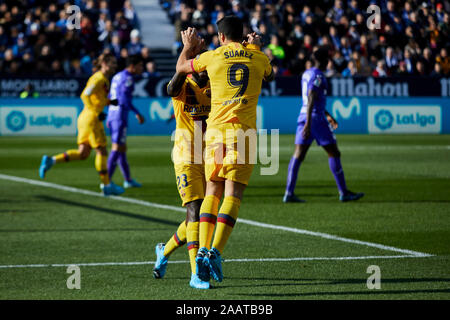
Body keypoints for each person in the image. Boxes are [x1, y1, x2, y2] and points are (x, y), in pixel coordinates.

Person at [175, 16, 274, 286]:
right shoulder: (258, 58)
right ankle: (214, 251)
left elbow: (182, 67)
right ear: (243, 35)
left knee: (213, 191)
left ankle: (202, 253)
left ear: (220, 36)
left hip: (216, 132)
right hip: (242, 133)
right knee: (233, 195)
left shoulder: (212, 56)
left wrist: (187, 46)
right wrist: (255, 47)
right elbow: (271, 74)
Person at [153, 46, 211, 290]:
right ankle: (195, 274)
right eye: (201, 65)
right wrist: (186, 53)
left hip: (209, 156)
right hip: (185, 156)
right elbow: (169, 89)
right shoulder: (183, 85)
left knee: (204, 216)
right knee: (194, 210)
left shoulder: (215, 86)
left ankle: (163, 251)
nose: (206, 70)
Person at [283, 47, 364, 203]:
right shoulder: (318, 75)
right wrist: (310, 123)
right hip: (314, 120)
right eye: (328, 59)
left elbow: (312, 99)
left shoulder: (307, 73)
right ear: (324, 61)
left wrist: (328, 116)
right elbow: (312, 96)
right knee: (334, 152)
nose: (329, 62)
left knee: (298, 155)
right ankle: (344, 192)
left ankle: (289, 193)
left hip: (304, 116)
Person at [39, 53, 124, 196]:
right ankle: (107, 185)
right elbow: (85, 95)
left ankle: (51, 160)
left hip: (85, 118)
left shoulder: (102, 79)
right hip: (92, 118)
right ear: (104, 64)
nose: (115, 66)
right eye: (112, 63)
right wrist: (96, 113)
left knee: (83, 153)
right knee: (102, 151)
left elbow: (97, 98)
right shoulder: (98, 78)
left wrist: (109, 102)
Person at [106, 54, 145, 188]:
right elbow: (123, 100)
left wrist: (108, 115)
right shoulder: (128, 78)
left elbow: (110, 97)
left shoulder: (117, 76)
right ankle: (106, 182)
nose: (142, 68)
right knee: (117, 147)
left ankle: (127, 180)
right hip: (119, 116)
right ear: (133, 67)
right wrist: (137, 113)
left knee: (122, 148)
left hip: (112, 115)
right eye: (140, 65)